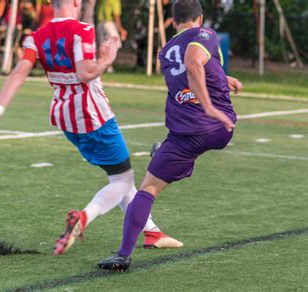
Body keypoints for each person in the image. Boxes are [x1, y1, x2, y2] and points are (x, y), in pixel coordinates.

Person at [0, 0, 183, 256]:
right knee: (123, 179)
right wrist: (108, 58)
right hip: (92, 115)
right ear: (75, 2)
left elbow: (19, 72)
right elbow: (86, 73)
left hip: (64, 117)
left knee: (118, 176)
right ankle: (83, 217)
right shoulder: (81, 29)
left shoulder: (35, 37)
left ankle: (152, 232)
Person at [99, 0, 243, 271]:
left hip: (187, 134)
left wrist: (212, 98)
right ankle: (170, 153)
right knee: (175, 150)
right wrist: (214, 99)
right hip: (220, 130)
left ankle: (122, 255)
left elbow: (192, 64)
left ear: (173, 20)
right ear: (199, 18)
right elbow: (196, 63)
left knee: (147, 190)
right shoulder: (206, 34)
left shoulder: (164, 51)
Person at [84, 0, 127, 72]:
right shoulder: (115, 1)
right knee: (114, 45)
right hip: (109, 24)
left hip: (100, 24)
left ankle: (100, 66)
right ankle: (109, 67)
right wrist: (121, 29)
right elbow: (116, 16)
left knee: (101, 45)